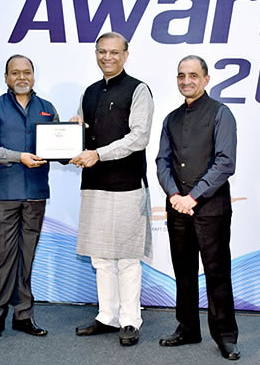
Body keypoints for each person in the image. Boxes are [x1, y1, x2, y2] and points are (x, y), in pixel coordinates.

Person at [70, 32, 154, 346]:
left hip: (127, 184)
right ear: (96, 53)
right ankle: (108, 317)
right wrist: (72, 134)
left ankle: (130, 320)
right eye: (102, 51)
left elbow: (139, 137)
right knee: (101, 257)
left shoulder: (139, 89)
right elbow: (83, 135)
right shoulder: (89, 92)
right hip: (94, 184)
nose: (108, 57)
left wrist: (99, 154)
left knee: (128, 258)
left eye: (114, 52)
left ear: (126, 55)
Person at [156, 55, 240, 360]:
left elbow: (225, 162)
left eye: (193, 75)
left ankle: (225, 336)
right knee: (184, 272)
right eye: (181, 75)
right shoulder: (171, 119)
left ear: (206, 79)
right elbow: (162, 161)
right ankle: (188, 328)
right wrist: (173, 195)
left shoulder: (221, 113)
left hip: (211, 208)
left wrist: (192, 197)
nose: (186, 81)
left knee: (217, 273)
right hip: (177, 208)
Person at [0, 54, 58, 340]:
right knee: (5, 256)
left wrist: (74, 136)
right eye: (15, 73)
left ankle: (23, 315)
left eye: (27, 72)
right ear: (6, 78)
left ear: (33, 75)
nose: (22, 77)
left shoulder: (47, 109)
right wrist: (18, 156)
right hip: (4, 195)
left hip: (35, 194)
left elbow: (61, 151)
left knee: (27, 256)